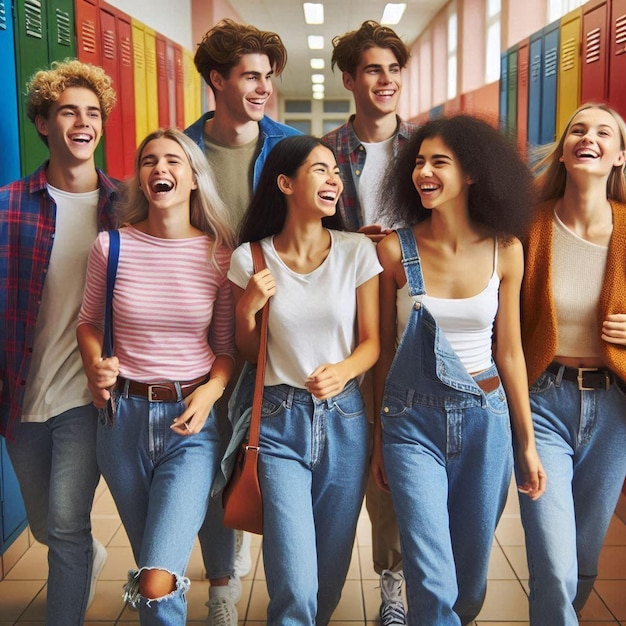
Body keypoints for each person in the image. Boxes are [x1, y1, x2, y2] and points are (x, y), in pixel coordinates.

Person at [372, 115, 546, 626]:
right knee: (431, 576)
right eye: (419, 161)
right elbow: (383, 352)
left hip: (485, 420)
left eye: (439, 162)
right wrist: (381, 435)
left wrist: (527, 442)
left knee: (468, 581)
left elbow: (509, 353)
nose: (423, 171)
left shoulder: (505, 250)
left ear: (472, 173)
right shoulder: (393, 252)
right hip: (410, 425)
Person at [76, 128, 236, 625]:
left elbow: (227, 351)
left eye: (172, 160)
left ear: (193, 178)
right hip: (121, 423)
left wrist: (210, 393)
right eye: (148, 161)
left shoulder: (218, 254)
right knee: (151, 567)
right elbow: (86, 323)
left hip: (189, 425)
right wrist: (94, 364)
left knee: (157, 578)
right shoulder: (111, 247)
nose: (159, 169)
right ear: (140, 179)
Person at [227, 135, 381, 624]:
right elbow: (250, 353)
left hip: (345, 421)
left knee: (329, 573)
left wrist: (342, 372)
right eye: (320, 170)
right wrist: (248, 308)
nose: (334, 179)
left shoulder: (357, 251)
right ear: (285, 182)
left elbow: (372, 343)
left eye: (336, 171)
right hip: (277, 423)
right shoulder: (250, 259)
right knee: (295, 582)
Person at [185, 20, 300, 624]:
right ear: (217, 80)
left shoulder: (288, 147)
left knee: (256, 445)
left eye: (268, 78)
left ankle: (257, 546)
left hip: (265, 322)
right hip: (194, 327)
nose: (263, 89)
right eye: (251, 76)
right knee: (205, 450)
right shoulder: (180, 151)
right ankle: (222, 581)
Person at [0, 59, 117, 625]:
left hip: (86, 397)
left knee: (66, 527)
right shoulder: (7, 207)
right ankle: (83, 557)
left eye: (93, 112)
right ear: (43, 123)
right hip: (23, 396)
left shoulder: (127, 209)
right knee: (47, 526)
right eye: (68, 111)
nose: (83, 122)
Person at [322, 21, 418, 624]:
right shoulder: (325, 153)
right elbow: (306, 230)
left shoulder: (428, 147)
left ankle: (395, 581)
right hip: (343, 311)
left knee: (395, 446)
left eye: (393, 69)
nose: (385, 81)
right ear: (350, 79)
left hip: (410, 312)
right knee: (340, 445)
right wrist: (355, 242)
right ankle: (321, 582)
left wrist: (401, 244)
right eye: (373, 70)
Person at [519, 102, 626, 625]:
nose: (589, 137)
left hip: (614, 412)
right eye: (577, 130)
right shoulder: (530, 226)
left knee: (583, 562)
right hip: (544, 402)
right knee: (554, 563)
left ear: (619, 155)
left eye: (603, 132)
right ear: (563, 150)